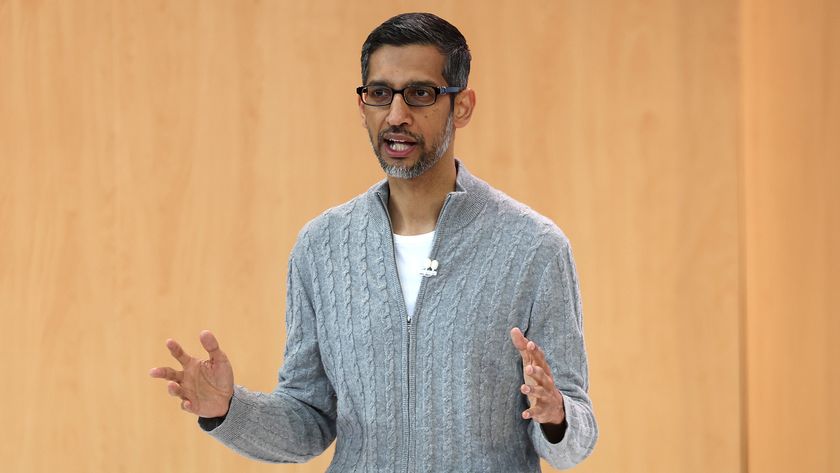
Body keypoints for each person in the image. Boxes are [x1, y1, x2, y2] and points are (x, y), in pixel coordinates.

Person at [150, 12, 598, 472]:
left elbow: (576, 437)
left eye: (421, 94)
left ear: (461, 106)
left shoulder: (533, 247)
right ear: (362, 106)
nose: (397, 116)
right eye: (380, 94)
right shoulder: (321, 247)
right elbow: (308, 419)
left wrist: (557, 415)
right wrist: (228, 410)